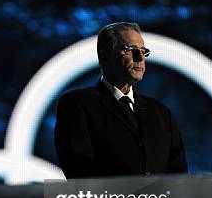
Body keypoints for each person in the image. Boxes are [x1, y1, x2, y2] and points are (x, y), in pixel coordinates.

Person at [54, 22, 188, 178]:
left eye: (143, 51)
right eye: (130, 50)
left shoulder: (161, 113)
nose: (139, 58)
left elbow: (178, 175)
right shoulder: (77, 104)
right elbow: (79, 170)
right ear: (104, 56)